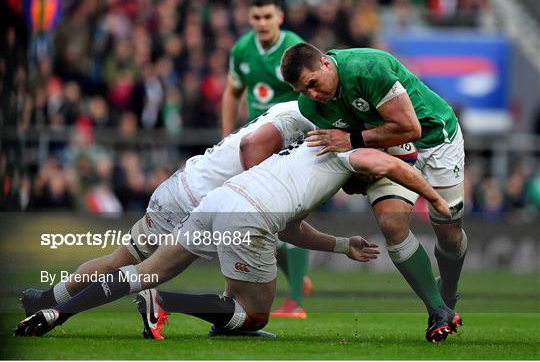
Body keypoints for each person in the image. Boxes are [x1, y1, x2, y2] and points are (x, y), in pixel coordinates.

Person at [15, 132, 455, 342]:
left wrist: (342, 245)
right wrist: (432, 197)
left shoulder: (303, 151)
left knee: (143, 271)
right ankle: (167, 302)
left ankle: (58, 315)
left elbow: (291, 227)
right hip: (249, 217)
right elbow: (395, 167)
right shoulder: (347, 153)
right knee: (256, 315)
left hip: (218, 201)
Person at [19, 101, 314, 324]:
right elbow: (250, 147)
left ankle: (48, 299)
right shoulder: (306, 118)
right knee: (144, 273)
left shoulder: (289, 106)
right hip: (201, 199)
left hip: (185, 183)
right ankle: (59, 312)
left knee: (120, 261)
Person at [280, 43, 467, 342]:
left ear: (326, 64)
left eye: (313, 84)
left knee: (449, 231)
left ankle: (448, 293)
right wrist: (356, 175)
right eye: (304, 90)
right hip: (387, 151)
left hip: (436, 139)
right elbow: (343, 150)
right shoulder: (311, 107)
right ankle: (437, 310)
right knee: (391, 224)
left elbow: (410, 128)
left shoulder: (367, 68)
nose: (312, 95)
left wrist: (352, 139)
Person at [221, 0, 309, 318]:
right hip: (257, 144)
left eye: (267, 17)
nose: (261, 23)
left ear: (280, 17)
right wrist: (229, 135)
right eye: (256, 17)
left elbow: (311, 93)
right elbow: (232, 93)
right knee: (262, 218)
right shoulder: (242, 49)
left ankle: (296, 301)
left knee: (290, 215)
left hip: (292, 142)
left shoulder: (294, 48)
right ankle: (298, 278)